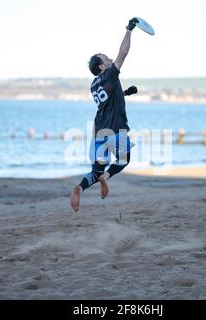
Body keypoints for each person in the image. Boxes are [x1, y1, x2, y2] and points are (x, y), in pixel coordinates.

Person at [70, 18, 140, 212]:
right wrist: (129, 30)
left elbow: (109, 101)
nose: (110, 59)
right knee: (124, 160)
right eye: (106, 59)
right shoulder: (110, 74)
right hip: (115, 130)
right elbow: (123, 53)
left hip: (99, 132)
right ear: (101, 66)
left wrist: (125, 93)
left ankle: (80, 188)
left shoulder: (93, 85)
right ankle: (107, 177)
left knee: (95, 170)